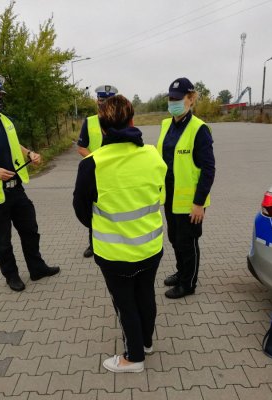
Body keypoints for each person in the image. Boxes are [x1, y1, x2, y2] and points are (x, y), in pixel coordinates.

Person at [73, 95, 167, 373]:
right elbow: (160, 191)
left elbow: (80, 209)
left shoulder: (92, 164)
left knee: (125, 304)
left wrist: (103, 224)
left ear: (101, 128)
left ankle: (134, 357)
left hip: (114, 254)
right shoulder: (152, 154)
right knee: (146, 295)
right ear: (133, 120)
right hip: (151, 247)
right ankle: (147, 342)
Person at [0, 74, 60, 292]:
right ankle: (11, 275)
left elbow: (15, 143)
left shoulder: (6, 120)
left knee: (30, 230)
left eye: (0, 95)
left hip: (17, 189)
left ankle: (37, 268)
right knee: (3, 242)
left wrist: (29, 152)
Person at [157, 77, 215, 299]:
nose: (173, 102)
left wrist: (199, 203)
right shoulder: (166, 124)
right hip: (170, 196)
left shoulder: (199, 129)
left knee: (188, 242)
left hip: (191, 201)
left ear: (190, 99)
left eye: (178, 99)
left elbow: (208, 169)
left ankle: (188, 284)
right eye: (170, 98)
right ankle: (182, 273)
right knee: (174, 239)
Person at [76, 84, 118, 258]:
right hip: (96, 172)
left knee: (116, 207)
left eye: (108, 101)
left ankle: (116, 240)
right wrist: (97, 161)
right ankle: (94, 244)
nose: (105, 104)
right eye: (102, 100)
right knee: (95, 207)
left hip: (116, 172)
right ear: (97, 101)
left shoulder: (121, 119)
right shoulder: (90, 121)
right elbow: (81, 147)